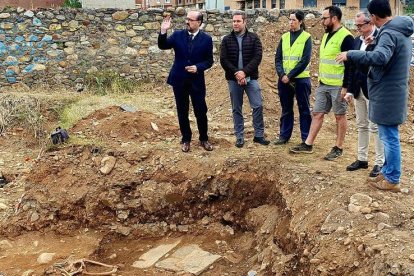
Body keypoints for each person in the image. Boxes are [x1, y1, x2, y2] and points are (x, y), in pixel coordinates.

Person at [336, 0, 414, 192]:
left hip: (388, 92)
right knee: (387, 134)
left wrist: (351, 54)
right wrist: (377, 42)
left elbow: (381, 58)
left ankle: (393, 178)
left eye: (369, 16)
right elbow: (389, 54)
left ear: (374, 16)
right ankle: (387, 172)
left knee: (389, 136)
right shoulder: (397, 31)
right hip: (393, 90)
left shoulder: (389, 32)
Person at [289, 5, 353, 161]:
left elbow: (350, 65)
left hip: (338, 85)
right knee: (317, 113)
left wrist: (346, 86)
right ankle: (308, 144)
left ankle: (338, 147)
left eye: (325, 18)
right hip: (323, 83)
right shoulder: (327, 35)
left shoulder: (346, 37)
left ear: (334, 18)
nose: (322, 21)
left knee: (339, 116)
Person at [158, 11, 214, 153]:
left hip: (196, 82)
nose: (187, 22)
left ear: (199, 22)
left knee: (201, 111)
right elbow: (163, 45)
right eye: (186, 19)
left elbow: (209, 61)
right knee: (182, 111)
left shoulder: (207, 39)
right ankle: (186, 139)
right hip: (179, 80)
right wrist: (163, 31)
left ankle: (203, 138)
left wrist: (197, 67)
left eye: (190, 19)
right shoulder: (177, 35)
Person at [220, 11, 270, 148]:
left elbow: (257, 57)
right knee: (236, 108)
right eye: (234, 21)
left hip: (251, 78)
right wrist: (237, 73)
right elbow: (224, 60)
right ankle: (240, 137)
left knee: (258, 105)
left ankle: (259, 135)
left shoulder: (254, 38)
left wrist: (244, 72)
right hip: (233, 79)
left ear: (245, 22)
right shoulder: (226, 40)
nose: (235, 23)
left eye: (238, 21)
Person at [344, 11, 384, 177]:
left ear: (371, 23)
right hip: (359, 88)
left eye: (361, 25)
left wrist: (372, 45)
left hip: (373, 89)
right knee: (361, 125)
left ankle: (379, 163)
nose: (358, 28)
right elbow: (352, 67)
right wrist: (350, 90)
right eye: (356, 25)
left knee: (375, 127)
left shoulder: (380, 39)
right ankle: (362, 159)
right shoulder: (355, 41)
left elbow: (380, 61)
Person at [274, 10, 312, 145]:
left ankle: (306, 138)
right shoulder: (284, 37)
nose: (291, 22)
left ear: (300, 22)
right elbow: (278, 59)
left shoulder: (306, 37)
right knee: (286, 108)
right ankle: (284, 136)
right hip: (284, 79)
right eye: (289, 20)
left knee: (304, 109)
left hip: (301, 79)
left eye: (293, 20)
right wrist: (282, 75)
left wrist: (289, 75)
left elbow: (305, 60)